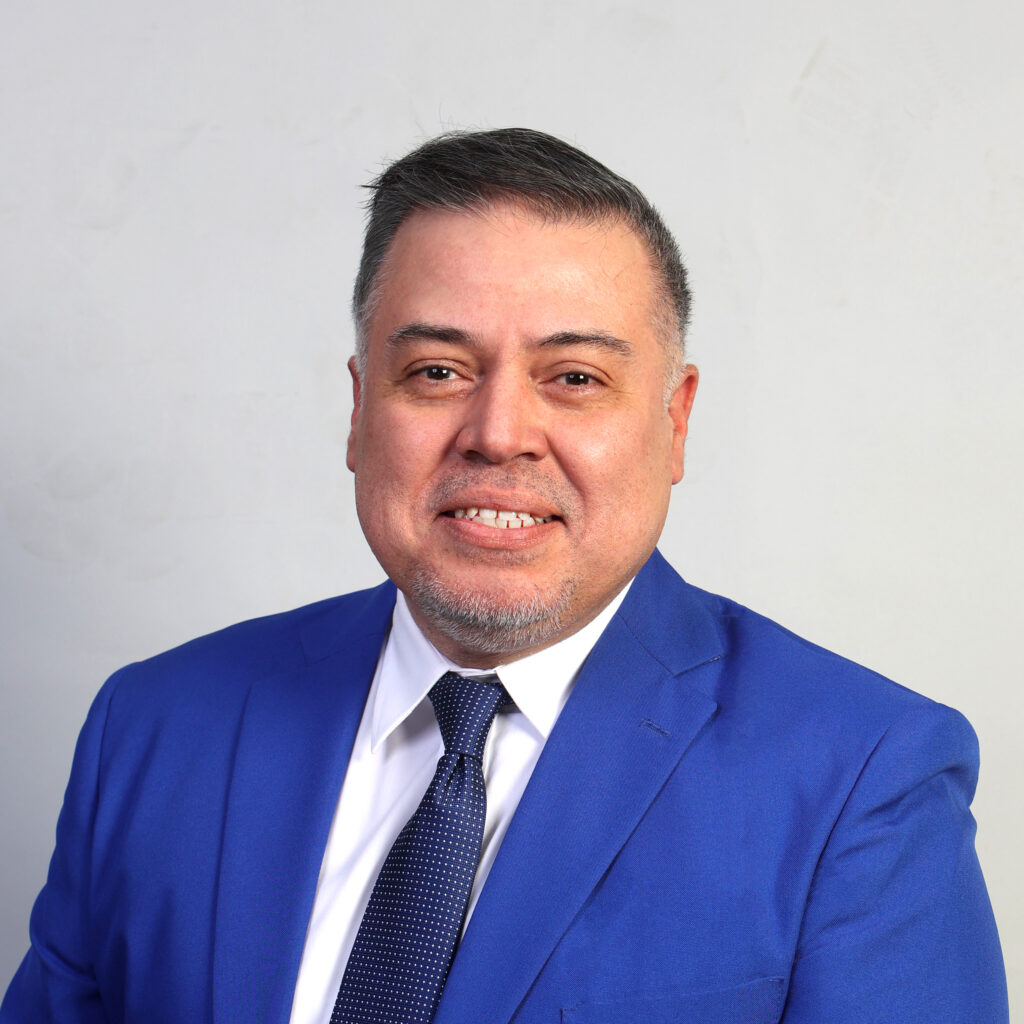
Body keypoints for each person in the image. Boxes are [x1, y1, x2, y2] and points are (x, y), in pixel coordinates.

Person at [1, 128, 1008, 1024]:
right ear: (360, 411)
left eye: (574, 378)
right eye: (437, 371)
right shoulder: (156, 726)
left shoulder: (861, 777)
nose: (497, 434)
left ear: (674, 420)